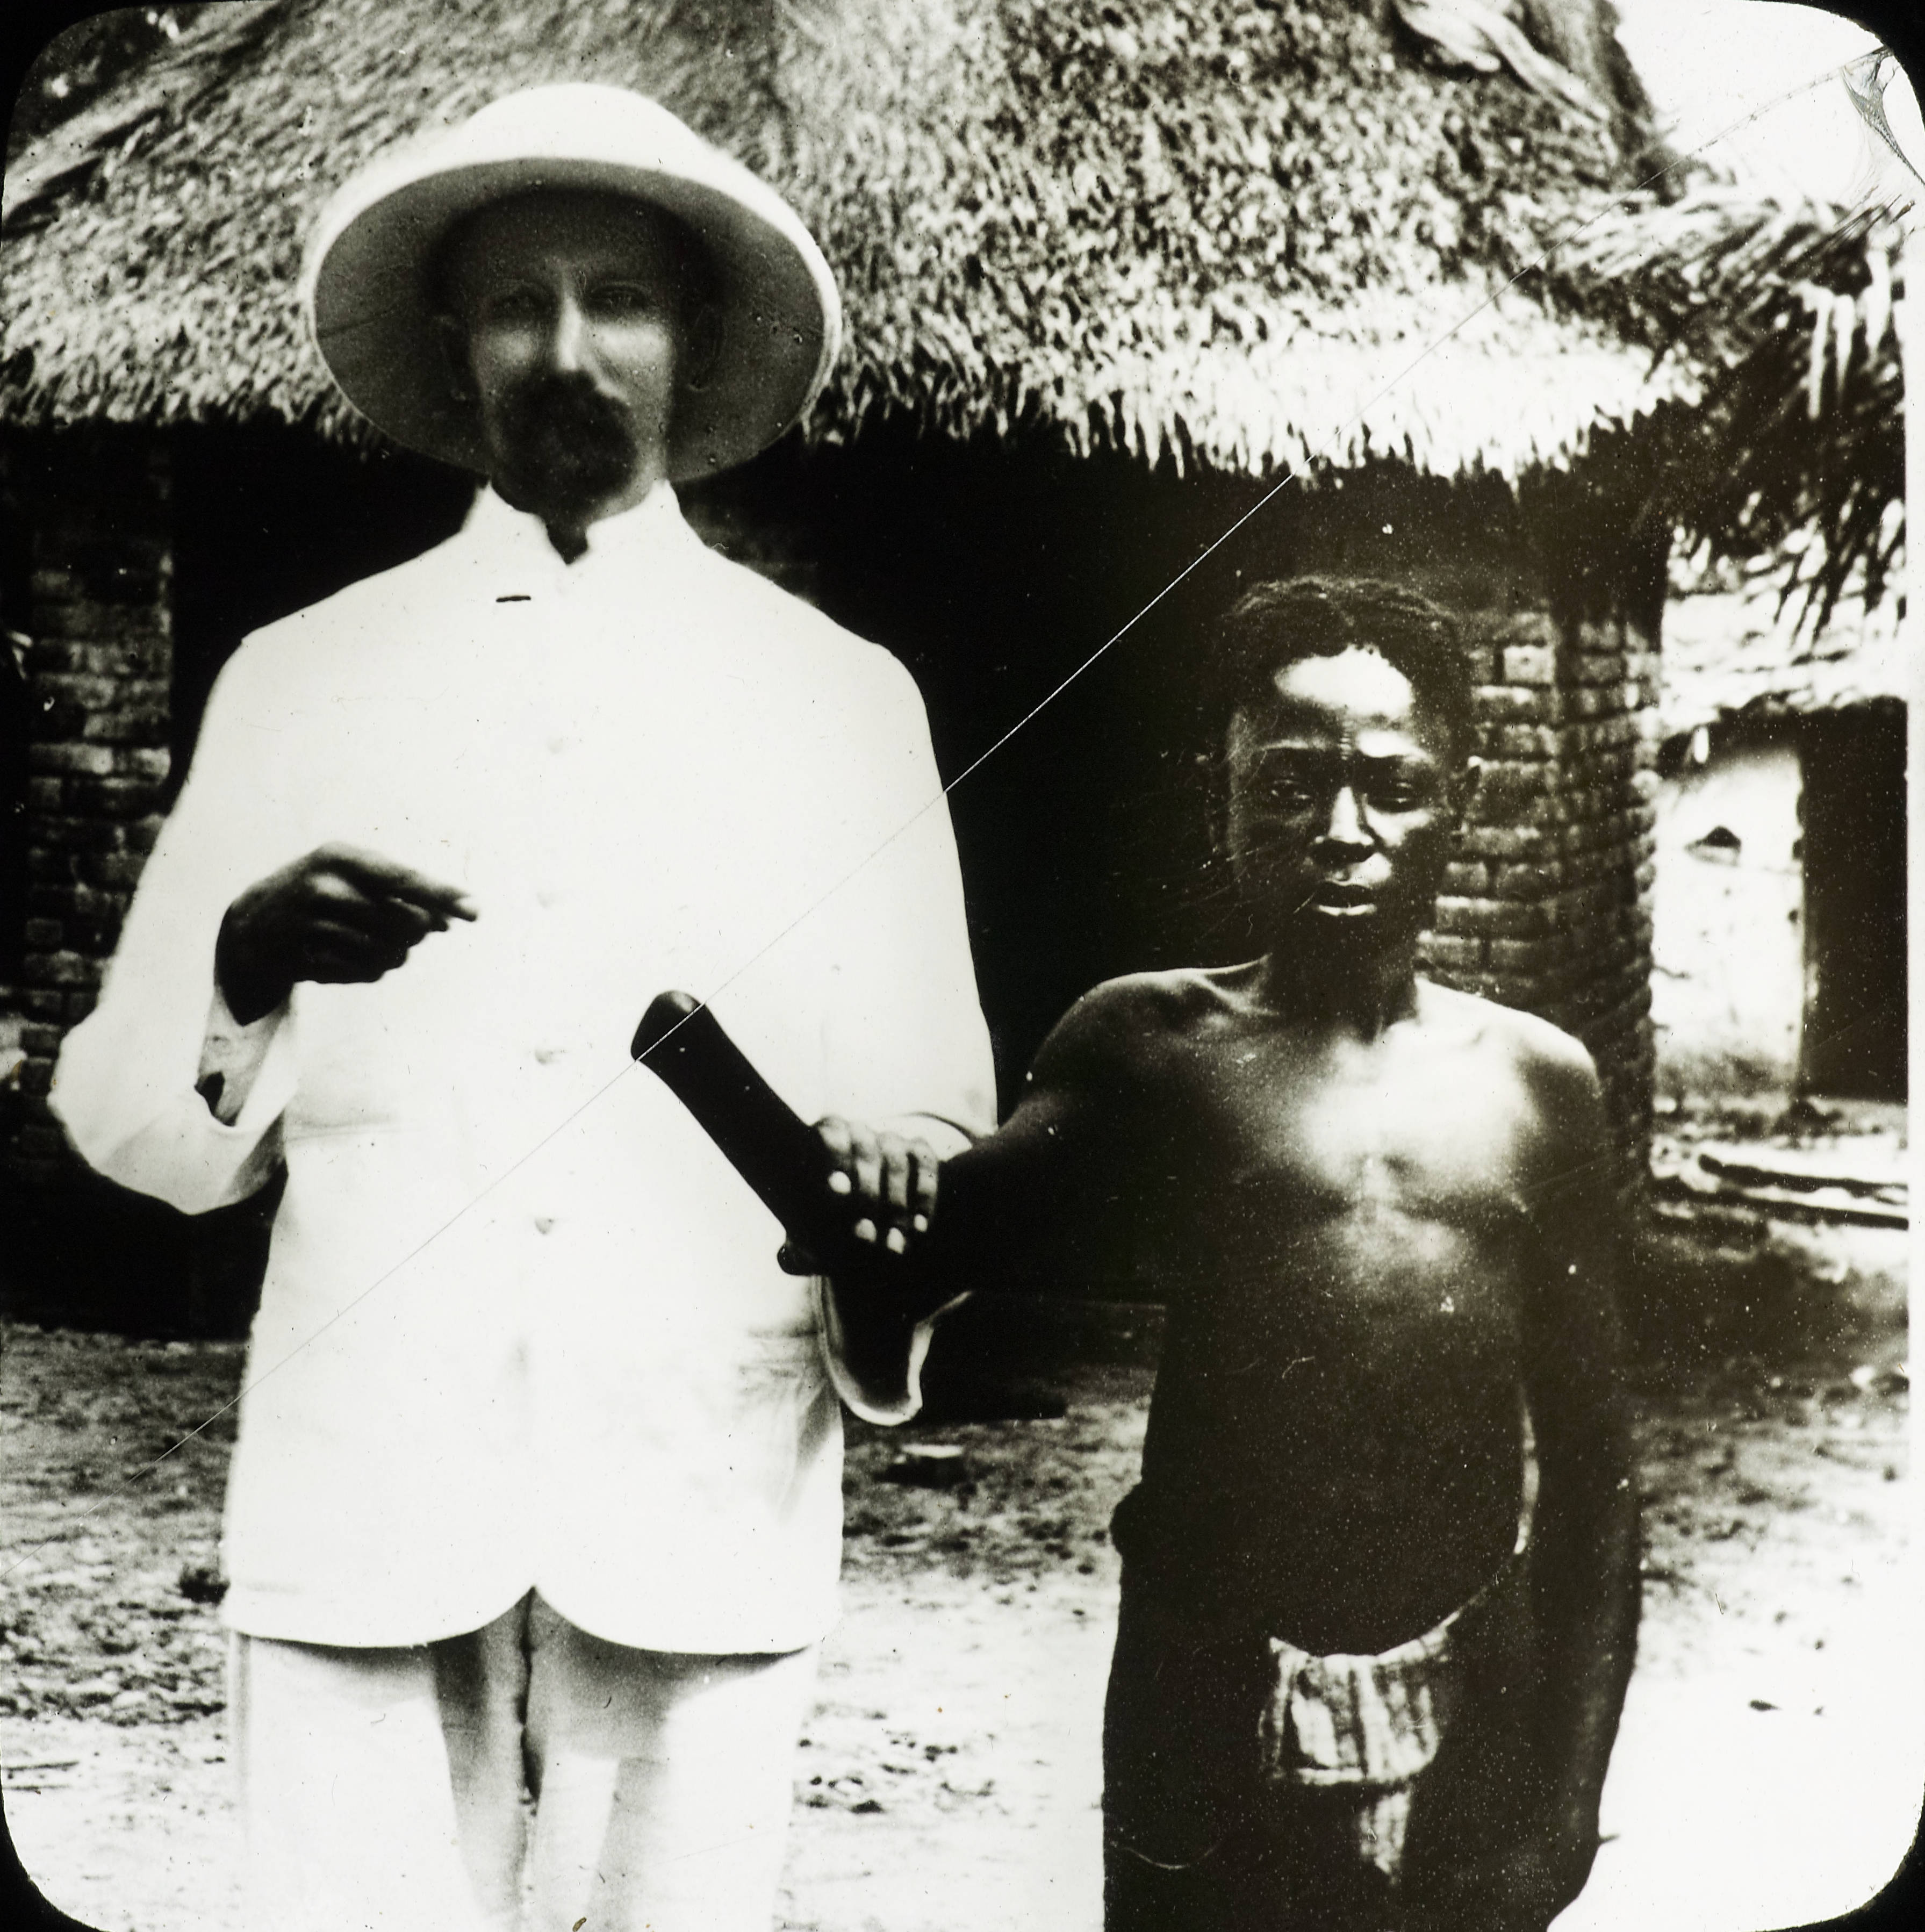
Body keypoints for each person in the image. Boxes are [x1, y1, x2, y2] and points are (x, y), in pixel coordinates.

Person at [51, 84, 993, 1932]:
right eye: (515, 305)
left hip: (698, 1466)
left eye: (619, 298)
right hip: (370, 1477)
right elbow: (130, 1128)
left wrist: (902, 1164)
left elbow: (933, 1109)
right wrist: (244, 974)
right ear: (453, 346)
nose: (570, 351)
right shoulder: (303, 675)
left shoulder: (835, 697)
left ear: (693, 338)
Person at [816, 577, 1640, 1930]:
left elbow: (1600, 1483)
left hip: (1470, 1691)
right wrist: (875, 1172)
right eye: (1293, 784)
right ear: (1227, 799)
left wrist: (1562, 1804)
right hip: (1202, 1701)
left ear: (1462, 797)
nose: (1343, 830)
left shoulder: (1540, 1089)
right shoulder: (1148, 1047)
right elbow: (921, 1244)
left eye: (1393, 783)